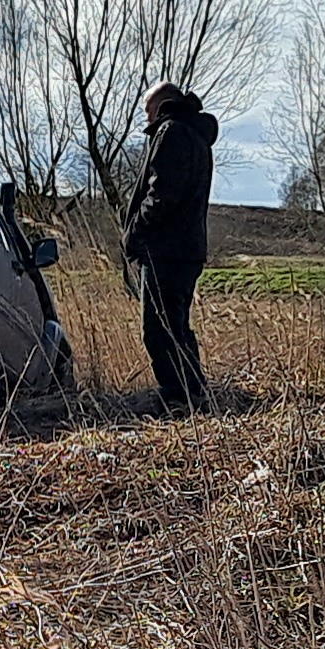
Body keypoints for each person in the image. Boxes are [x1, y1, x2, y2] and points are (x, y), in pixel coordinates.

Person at [122, 80, 219, 415]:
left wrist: (134, 234)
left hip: (166, 249)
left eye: (147, 110)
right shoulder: (196, 136)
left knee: (158, 330)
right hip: (187, 249)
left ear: (160, 105)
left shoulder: (171, 132)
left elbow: (162, 194)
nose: (145, 118)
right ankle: (194, 394)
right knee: (175, 325)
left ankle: (178, 399)